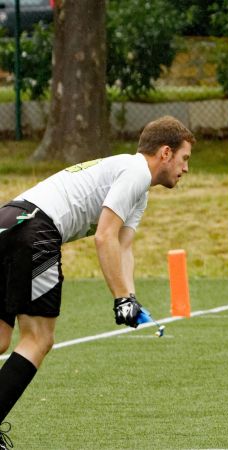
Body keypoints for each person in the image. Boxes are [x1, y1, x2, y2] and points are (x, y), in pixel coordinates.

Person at [0, 115, 195, 448]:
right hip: (37, 231)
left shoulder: (136, 187)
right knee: (39, 339)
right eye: (184, 158)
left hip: (9, 219)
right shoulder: (135, 172)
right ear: (165, 152)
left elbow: (122, 246)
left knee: (2, 340)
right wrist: (120, 299)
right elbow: (104, 237)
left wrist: (130, 296)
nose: (186, 168)